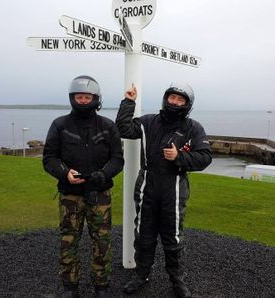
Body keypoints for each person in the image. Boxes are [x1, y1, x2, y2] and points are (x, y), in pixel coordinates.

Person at [115, 82, 212, 297]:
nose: (175, 102)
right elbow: (123, 128)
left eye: (181, 99)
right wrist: (129, 101)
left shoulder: (193, 128)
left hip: (175, 186)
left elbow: (205, 157)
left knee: (173, 237)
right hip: (147, 184)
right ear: (165, 98)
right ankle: (141, 275)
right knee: (143, 234)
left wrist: (180, 157)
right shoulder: (149, 122)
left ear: (187, 104)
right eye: (172, 97)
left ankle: (177, 280)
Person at [42, 75, 124, 298]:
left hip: (100, 194)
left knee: (102, 241)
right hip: (70, 195)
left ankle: (102, 286)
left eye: (88, 97)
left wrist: (103, 174)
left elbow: (118, 159)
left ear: (96, 99)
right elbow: (49, 157)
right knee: (68, 241)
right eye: (79, 96)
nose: (83, 101)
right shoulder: (59, 125)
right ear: (72, 98)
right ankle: (70, 287)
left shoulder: (108, 126)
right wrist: (64, 173)